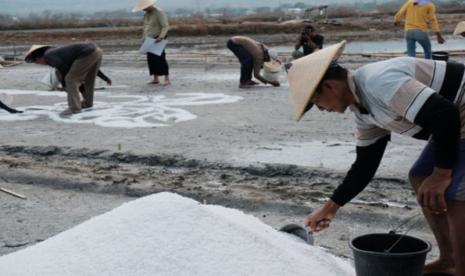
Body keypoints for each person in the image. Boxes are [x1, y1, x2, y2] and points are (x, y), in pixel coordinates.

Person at [286, 41, 465, 276]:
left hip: (457, 117)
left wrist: (442, 175)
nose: (322, 110)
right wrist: (331, 207)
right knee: (421, 176)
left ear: (328, 87)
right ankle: (449, 259)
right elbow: (365, 164)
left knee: (452, 192)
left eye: (317, 104)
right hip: (455, 124)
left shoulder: (379, 82)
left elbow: (445, 115)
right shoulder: (363, 111)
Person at [25, 43, 103, 116]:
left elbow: (63, 69)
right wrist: (105, 78)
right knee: (89, 80)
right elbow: (86, 65)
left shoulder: (48, 55)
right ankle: (87, 103)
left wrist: (65, 84)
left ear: (39, 57)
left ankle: (74, 108)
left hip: (87, 53)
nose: (38, 64)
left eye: (36, 62)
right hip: (96, 51)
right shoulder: (55, 53)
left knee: (70, 80)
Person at [133, 0, 170, 86]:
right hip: (148, 39)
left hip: (158, 38)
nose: (143, 10)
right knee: (151, 59)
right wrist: (143, 39)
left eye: (144, 8)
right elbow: (146, 27)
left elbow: (165, 26)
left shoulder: (159, 12)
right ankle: (155, 78)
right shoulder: (146, 14)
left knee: (160, 58)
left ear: (148, 5)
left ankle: (167, 78)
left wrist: (160, 37)